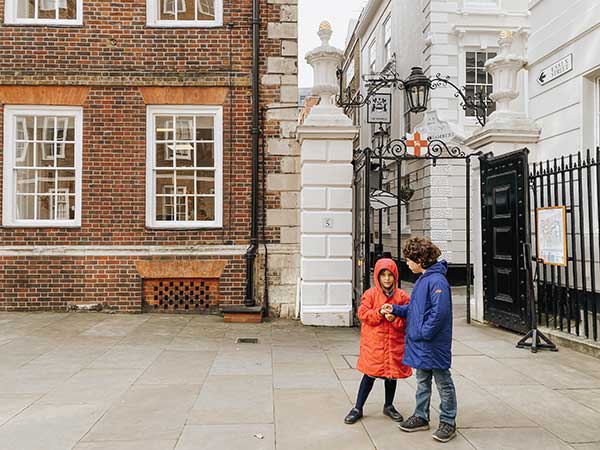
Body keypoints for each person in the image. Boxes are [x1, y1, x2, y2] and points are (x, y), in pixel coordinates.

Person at [382, 237, 457, 443]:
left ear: (420, 260)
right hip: (423, 343)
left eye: (408, 259)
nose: (406, 263)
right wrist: (396, 309)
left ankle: (448, 421)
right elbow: (417, 309)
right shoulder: (425, 279)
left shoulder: (436, 281)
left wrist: (424, 333)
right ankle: (421, 416)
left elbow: (439, 313)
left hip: (432, 343)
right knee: (422, 380)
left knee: (443, 382)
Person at [344, 258, 412, 425]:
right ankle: (358, 407)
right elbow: (364, 315)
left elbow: (408, 320)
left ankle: (388, 405)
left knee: (391, 376)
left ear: (395, 276)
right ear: (378, 277)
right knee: (370, 375)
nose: (387, 279)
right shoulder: (370, 295)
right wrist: (380, 313)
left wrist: (394, 318)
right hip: (375, 344)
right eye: (383, 275)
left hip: (394, 344)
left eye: (390, 275)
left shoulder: (402, 297)